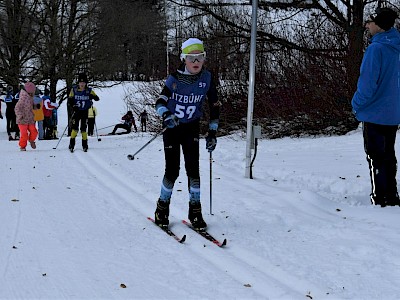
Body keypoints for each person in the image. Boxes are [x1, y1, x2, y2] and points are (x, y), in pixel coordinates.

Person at [153, 38, 220, 230]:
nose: (196, 61)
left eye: (200, 57)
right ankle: (162, 208)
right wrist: (166, 114)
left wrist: (213, 131)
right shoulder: (174, 79)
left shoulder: (206, 78)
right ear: (184, 59)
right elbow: (159, 103)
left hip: (191, 127)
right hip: (173, 129)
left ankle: (195, 211)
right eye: (191, 58)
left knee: (193, 171)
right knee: (172, 170)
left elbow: (214, 105)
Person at [352, 7, 400, 207]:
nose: (367, 25)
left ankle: (380, 199)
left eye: (370, 22)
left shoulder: (376, 49)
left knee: (376, 157)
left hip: (374, 114)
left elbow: (367, 84)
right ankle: (392, 195)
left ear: (378, 25)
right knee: (388, 155)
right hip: (394, 113)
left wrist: (356, 105)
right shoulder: (397, 47)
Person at [67, 73, 99, 152]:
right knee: (75, 129)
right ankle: (71, 144)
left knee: (83, 129)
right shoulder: (74, 90)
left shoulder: (89, 91)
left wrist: (93, 96)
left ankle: (85, 145)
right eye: (80, 83)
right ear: (78, 83)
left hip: (85, 111)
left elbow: (97, 98)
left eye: (83, 83)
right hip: (77, 111)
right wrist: (73, 106)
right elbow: (70, 100)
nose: (82, 84)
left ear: (86, 83)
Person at [14, 82, 38, 151]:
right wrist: (20, 115)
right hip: (22, 119)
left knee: (34, 131)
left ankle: (31, 140)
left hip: (30, 118)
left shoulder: (30, 97)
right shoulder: (23, 98)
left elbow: (31, 106)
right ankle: (22, 146)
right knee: (24, 134)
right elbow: (17, 108)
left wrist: (35, 106)